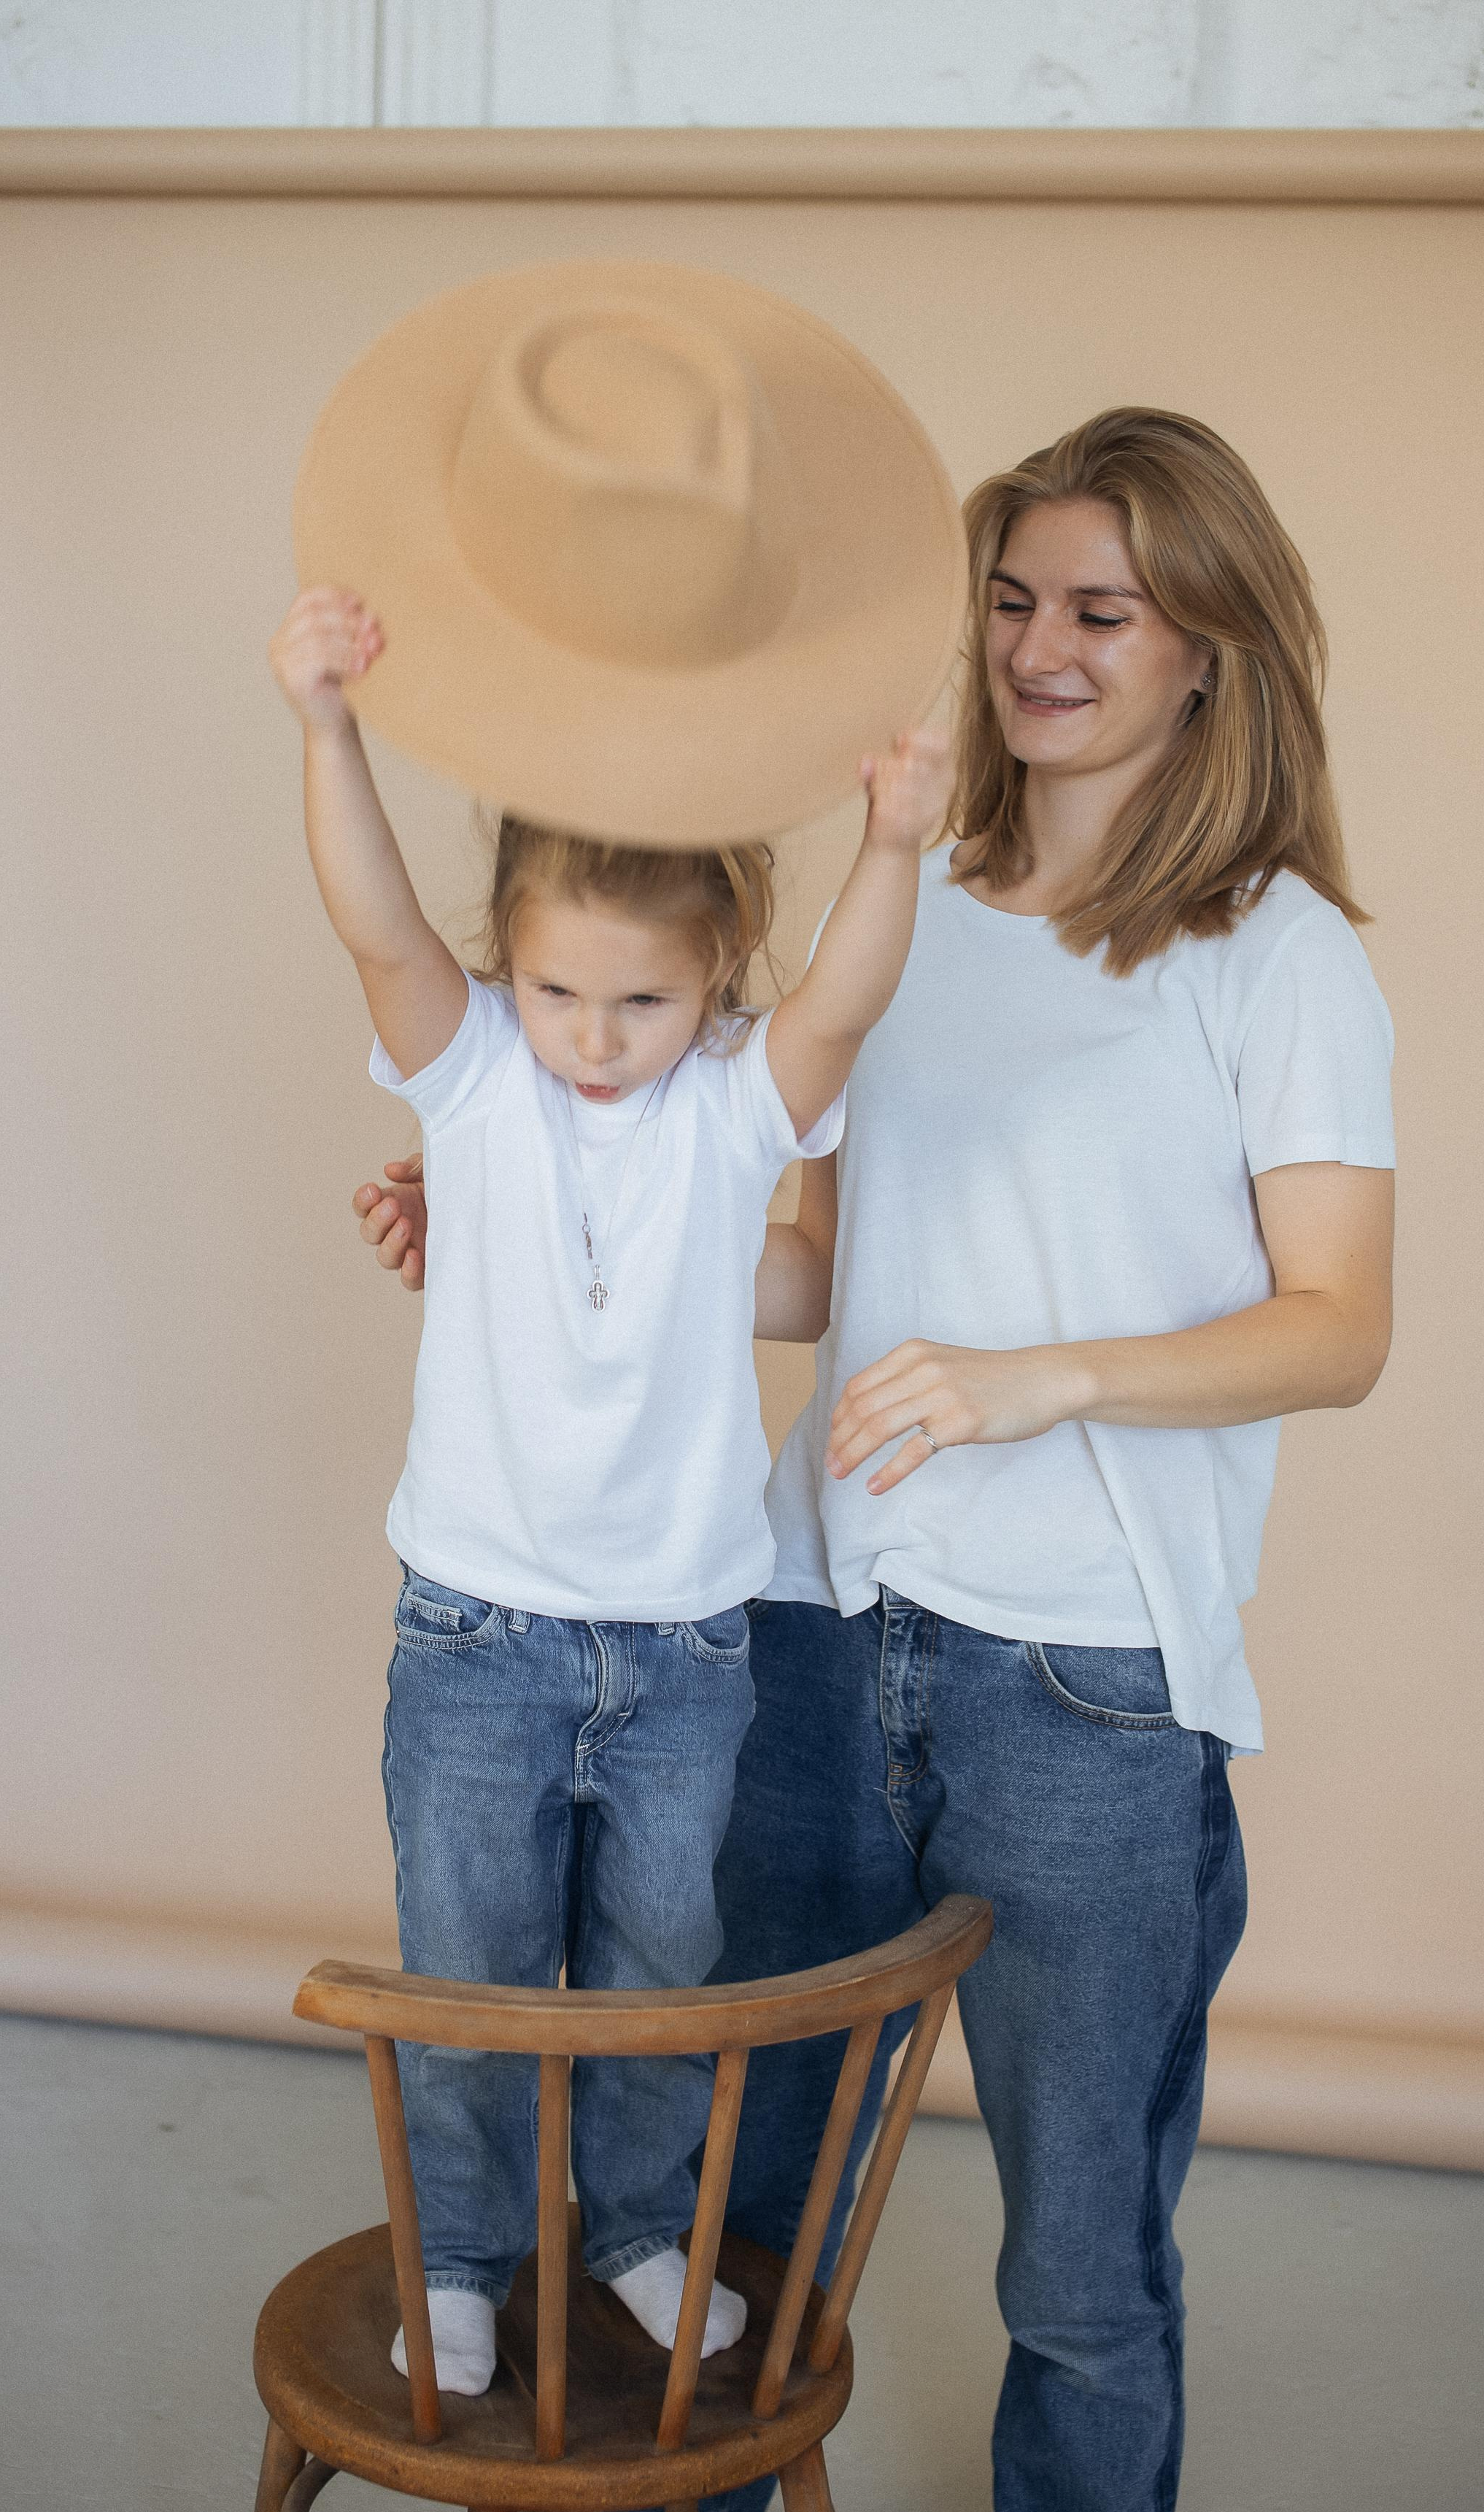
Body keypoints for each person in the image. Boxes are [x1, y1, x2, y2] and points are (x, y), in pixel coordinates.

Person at [355, 405, 1395, 2512]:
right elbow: (826, 1266)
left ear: (1210, 645)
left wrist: (1041, 1379)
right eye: (1009, 600)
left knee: (1078, 2275)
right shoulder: (909, 912)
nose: (1036, 649)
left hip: (1088, 1688)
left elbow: (1337, 1324)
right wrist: (554, 1235)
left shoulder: (1280, 953)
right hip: (811, 1632)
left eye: (1099, 611)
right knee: (726, 2232)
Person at [271, 569, 950, 2401]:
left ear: (717, 976)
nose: (592, 1033)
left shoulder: (733, 1108)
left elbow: (847, 999)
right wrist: (328, 724)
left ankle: (644, 2223)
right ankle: (465, 2253)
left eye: (642, 999)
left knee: (666, 1966)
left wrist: (893, 841)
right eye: (559, 987)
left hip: (684, 1646)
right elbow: (373, 918)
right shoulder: (478, 1081)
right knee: (471, 1973)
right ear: (507, 960)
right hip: (476, 1633)